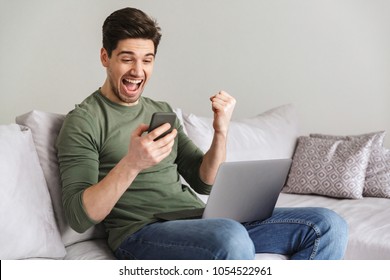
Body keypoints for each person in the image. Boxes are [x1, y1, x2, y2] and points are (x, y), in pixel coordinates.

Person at [56, 7, 348, 260]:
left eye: (147, 60)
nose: (138, 70)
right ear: (105, 57)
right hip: (141, 234)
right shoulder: (84, 120)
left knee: (328, 224)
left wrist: (220, 131)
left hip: (198, 221)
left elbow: (204, 181)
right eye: (127, 58)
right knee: (231, 236)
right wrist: (132, 163)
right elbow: (80, 217)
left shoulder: (161, 109)